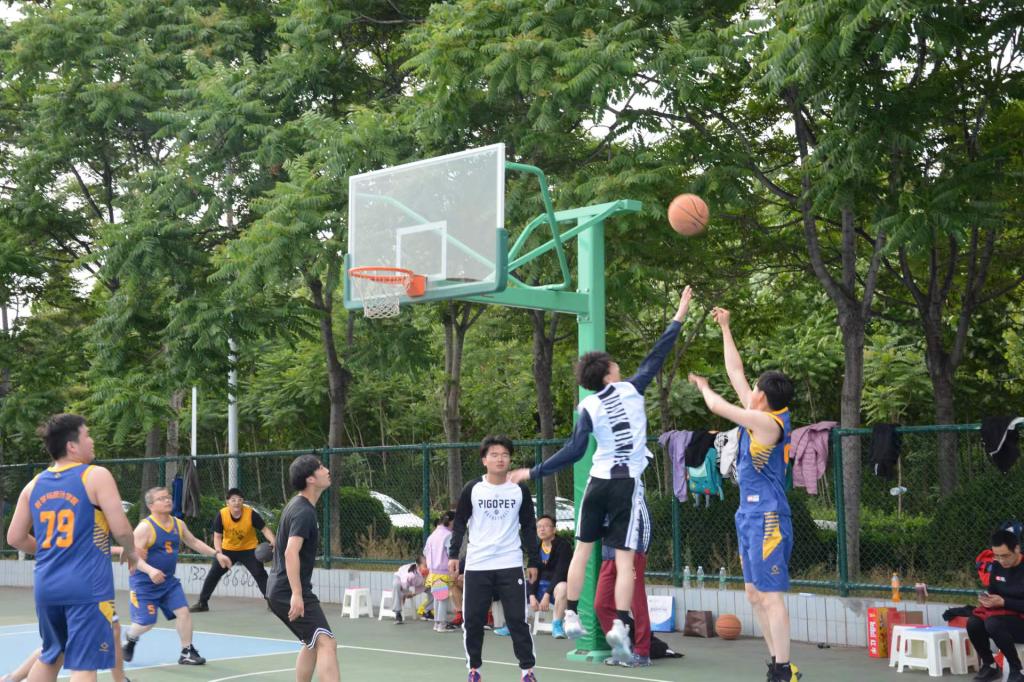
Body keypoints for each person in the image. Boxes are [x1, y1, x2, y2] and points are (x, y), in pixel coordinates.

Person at [510, 286, 693, 663]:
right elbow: (656, 356)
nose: (618, 366)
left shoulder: (589, 405)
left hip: (597, 482)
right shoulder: (632, 389)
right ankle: (621, 623)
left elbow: (576, 450)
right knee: (625, 561)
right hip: (626, 485)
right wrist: (678, 316)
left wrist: (534, 470)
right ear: (609, 374)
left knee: (582, 551)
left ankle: (572, 613)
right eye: (614, 364)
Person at [688, 306, 797, 682]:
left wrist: (704, 387)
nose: (750, 391)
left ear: (762, 397)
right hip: (748, 514)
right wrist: (725, 327)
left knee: (771, 594)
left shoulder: (768, 424)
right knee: (753, 593)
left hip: (769, 516)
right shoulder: (760, 413)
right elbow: (736, 372)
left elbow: (719, 406)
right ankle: (777, 662)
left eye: (755, 390)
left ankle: (783, 669)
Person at [6, 413, 139, 682]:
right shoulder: (95, 476)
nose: (92, 440)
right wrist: (131, 551)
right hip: (87, 586)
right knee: (85, 665)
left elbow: (15, 538)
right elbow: (122, 530)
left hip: (47, 585)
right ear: (72, 446)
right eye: (87, 435)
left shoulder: (33, 485)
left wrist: (51, 550)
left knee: (51, 655)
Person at [449, 435, 541, 682]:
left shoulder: (519, 489)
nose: (500, 459)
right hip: (478, 564)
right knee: (473, 620)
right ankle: (474, 670)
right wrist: (454, 554)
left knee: (517, 620)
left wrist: (533, 560)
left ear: (510, 459)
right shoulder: (473, 488)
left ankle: (527, 671)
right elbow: (460, 523)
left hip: (510, 563)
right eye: (494, 455)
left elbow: (529, 526)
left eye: (505, 455)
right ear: (484, 460)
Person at [122, 486, 229, 666]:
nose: (167, 500)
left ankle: (186, 652)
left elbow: (194, 542)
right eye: (161, 498)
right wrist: (150, 570)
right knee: (146, 623)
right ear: (151, 505)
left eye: (168, 497)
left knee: (183, 612)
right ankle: (131, 638)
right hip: (144, 584)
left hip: (168, 582)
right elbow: (133, 557)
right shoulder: (144, 528)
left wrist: (216, 554)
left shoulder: (178, 524)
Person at [266, 455, 340, 682]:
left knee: (311, 642)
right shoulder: (303, 511)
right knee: (326, 642)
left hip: (280, 589)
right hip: (287, 590)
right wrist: (297, 594)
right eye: (321, 467)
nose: (326, 470)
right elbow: (290, 552)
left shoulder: (299, 506)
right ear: (310, 479)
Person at [190, 487, 276, 612]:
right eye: (233, 500)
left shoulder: (250, 514)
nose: (237, 502)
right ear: (227, 502)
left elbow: (265, 529)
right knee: (213, 574)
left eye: (240, 500)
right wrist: (219, 553)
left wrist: (273, 541)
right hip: (228, 550)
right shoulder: (222, 515)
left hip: (249, 549)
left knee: (259, 573)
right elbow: (217, 537)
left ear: (243, 502)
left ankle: (272, 603)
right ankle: (202, 603)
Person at [595, 509, 653, 668]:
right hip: (608, 557)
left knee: (637, 604)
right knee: (601, 604)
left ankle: (642, 653)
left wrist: (643, 550)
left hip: (631, 555)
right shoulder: (600, 498)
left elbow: (646, 522)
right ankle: (621, 649)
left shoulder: (634, 493)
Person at [967, 529, 1024, 682]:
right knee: (973, 622)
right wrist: (988, 600)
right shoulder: (997, 565)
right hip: (1006, 617)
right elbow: (993, 591)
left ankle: (1016, 670)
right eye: (996, 556)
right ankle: (990, 666)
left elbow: (1003, 601)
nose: (1001, 560)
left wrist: (1004, 602)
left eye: (1005, 555)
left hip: (1019, 620)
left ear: (1017, 549)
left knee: (993, 623)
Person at [521, 515, 571, 639]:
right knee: (517, 585)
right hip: (539, 587)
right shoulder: (536, 548)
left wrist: (547, 594)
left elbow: (560, 573)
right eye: (539, 527)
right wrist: (532, 595)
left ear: (554, 529)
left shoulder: (563, 546)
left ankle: (557, 625)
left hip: (555, 588)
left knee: (563, 587)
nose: (541, 529)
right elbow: (533, 574)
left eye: (545, 526)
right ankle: (514, 625)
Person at [423, 510, 460, 632]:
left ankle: (437, 623)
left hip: (433, 572)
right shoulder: (448, 535)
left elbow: (425, 552)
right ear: (451, 521)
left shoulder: (432, 535)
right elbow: (451, 553)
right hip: (443, 572)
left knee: (437, 597)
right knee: (443, 599)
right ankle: (442, 625)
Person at [391, 554, 429, 624]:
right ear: (418, 566)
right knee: (396, 585)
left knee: (433, 589)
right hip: (400, 577)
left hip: (413, 581)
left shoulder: (428, 572)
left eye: (428, 565)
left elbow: (424, 586)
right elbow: (404, 585)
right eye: (425, 566)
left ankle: (427, 611)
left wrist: (413, 594)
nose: (427, 567)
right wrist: (406, 593)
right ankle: (398, 613)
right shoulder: (410, 574)